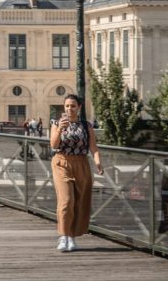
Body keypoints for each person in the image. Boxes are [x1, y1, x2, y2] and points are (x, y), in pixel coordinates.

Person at [50, 94, 103, 252]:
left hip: (81, 163)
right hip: (62, 162)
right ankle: (63, 235)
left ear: (79, 107)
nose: (69, 109)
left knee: (79, 202)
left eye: (73, 106)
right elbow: (53, 145)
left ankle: (72, 236)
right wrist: (60, 128)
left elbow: (93, 148)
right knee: (66, 200)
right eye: (67, 106)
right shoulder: (56, 123)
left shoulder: (86, 126)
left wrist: (98, 162)